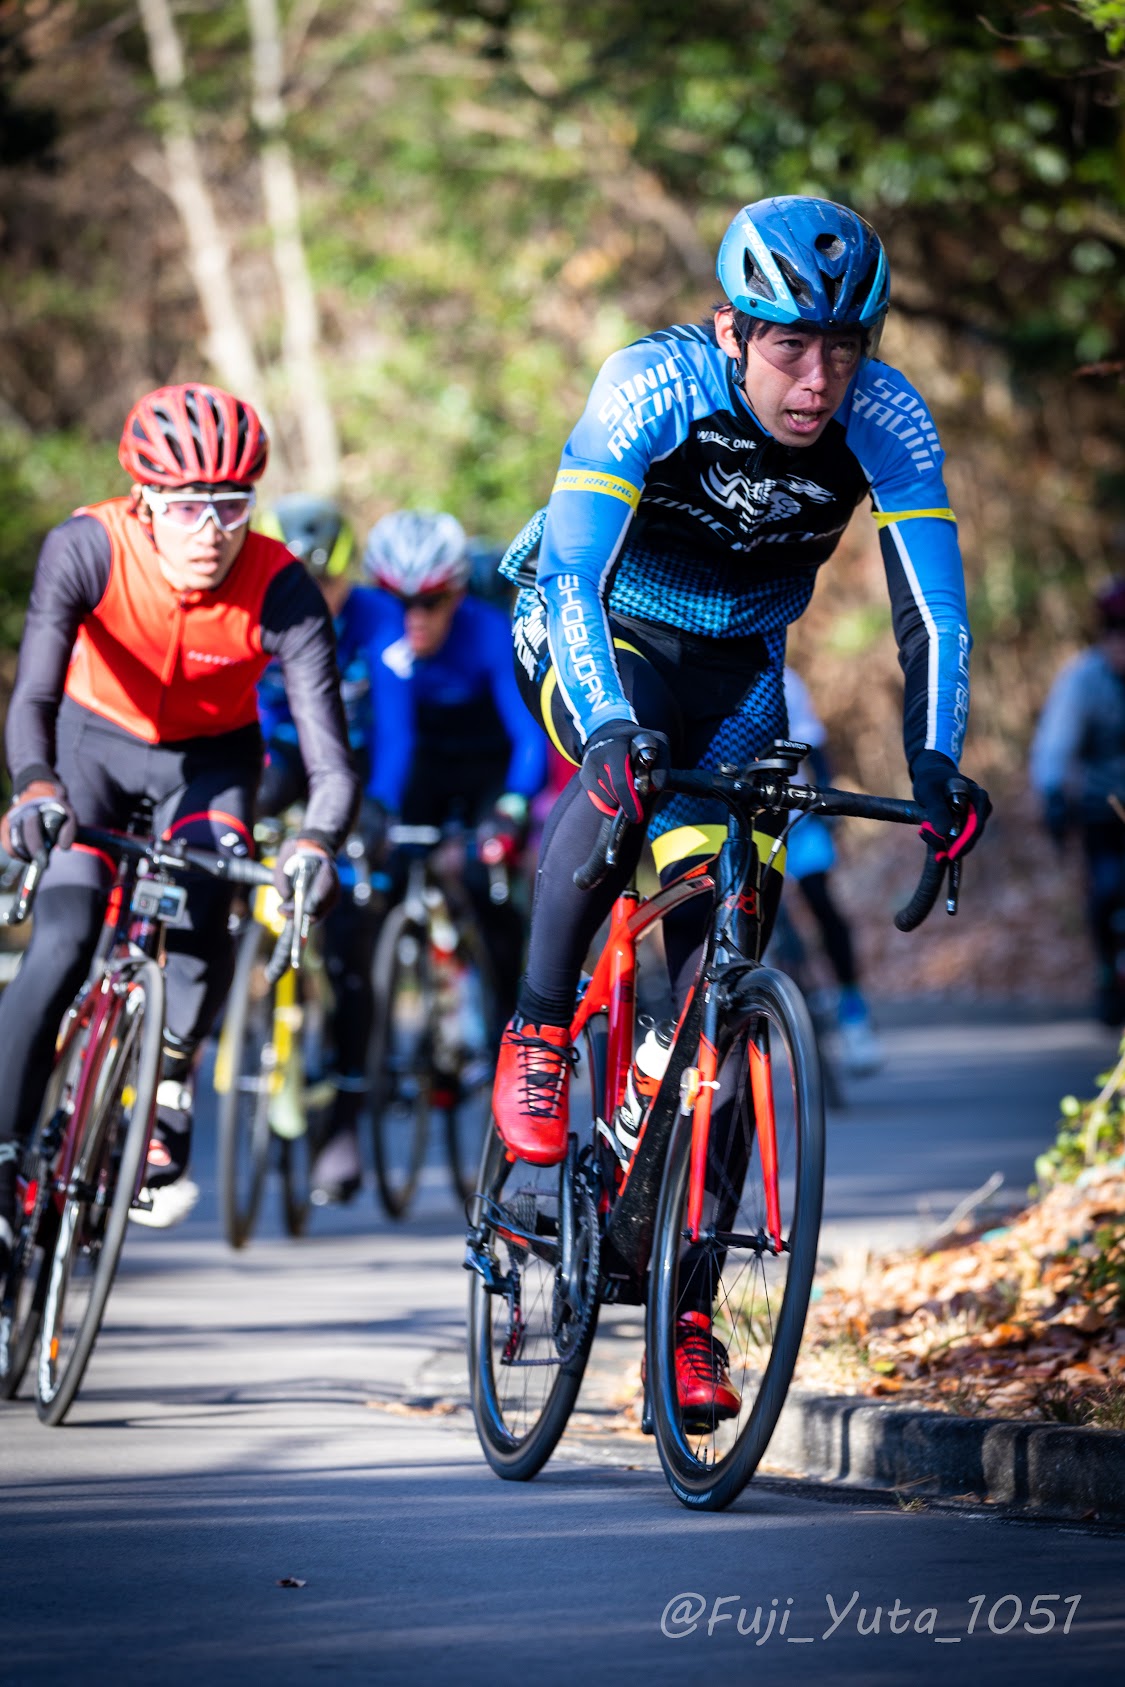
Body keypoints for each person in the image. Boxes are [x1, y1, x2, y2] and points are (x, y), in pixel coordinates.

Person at [492, 194, 991, 1418]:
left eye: (842, 348)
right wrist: (609, 730)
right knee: (620, 796)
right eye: (787, 346)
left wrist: (937, 763)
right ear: (730, 329)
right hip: (600, 629)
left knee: (725, 981)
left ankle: (689, 1315)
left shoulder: (885, 419)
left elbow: (932, 611)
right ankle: (544, 1036)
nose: (817, 379)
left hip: (742, 672)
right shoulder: (649, 387)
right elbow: (569, 571)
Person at [0, 384, 357, 1274]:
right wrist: (34, 786)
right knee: (65, 936)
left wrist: (313, 844)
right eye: (187, 506)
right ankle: (5, 1161)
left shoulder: (282, 588)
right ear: (143, 500)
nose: (211, 528)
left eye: (232, 505)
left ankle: (165, 1084)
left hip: (210, 762)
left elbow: (329, 762)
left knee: (207, 897)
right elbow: (35, 695)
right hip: (89, 746)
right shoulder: (87, 546)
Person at [254, 494, 408, 1204]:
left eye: (333, 584)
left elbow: (401, 726)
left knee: (349, 934)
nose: (321, 599)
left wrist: (377, 805)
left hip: (359, 766)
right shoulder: (258, 602)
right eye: (306, 583)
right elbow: (245, 710)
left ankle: (345, 1113)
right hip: (284, 756)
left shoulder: (378, 618)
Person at [363, 510, 549, 1026]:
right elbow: (395, 739)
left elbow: (528, 737)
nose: (413, 618)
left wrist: (513, 806)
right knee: (384, 877)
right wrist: (379, 805)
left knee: (479, 878)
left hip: (491, 768)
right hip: (424, 764)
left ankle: (509, 1028)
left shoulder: (490, 631)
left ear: (457, 593)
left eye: (431, 601)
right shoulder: (388, 642)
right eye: (398, 602)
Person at [1030, 576, 1125, 1025]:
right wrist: (1052, 795)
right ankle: (1107, 971)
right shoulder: (1083, 679)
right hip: (1101, 810)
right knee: (1107, 890)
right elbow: (1055, 744)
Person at [781, 666, 883, 1076]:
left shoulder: (786, 679)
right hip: (747, 822)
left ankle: (852, 1007)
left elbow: (814, 744)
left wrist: (827, 802)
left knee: (824, 905)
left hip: (798, 817)